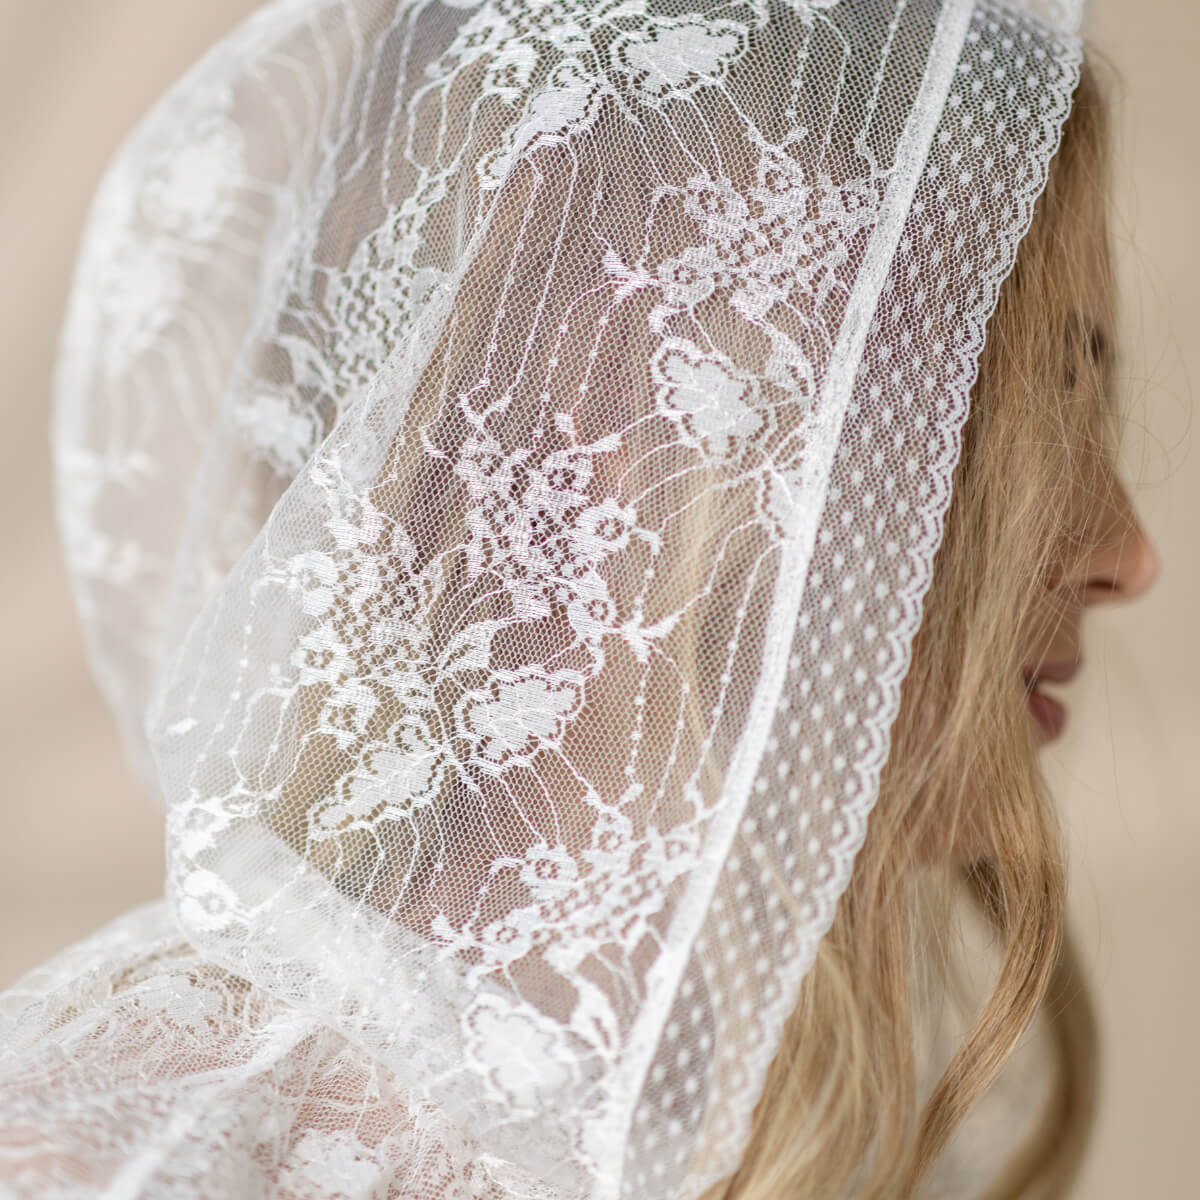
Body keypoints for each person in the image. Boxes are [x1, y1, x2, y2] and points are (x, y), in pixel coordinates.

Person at [0, 0, 1159, 1197]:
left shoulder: (805, 1134)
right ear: (633, 395)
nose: (1127, 554)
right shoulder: (126, 1163)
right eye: (1037, 386)